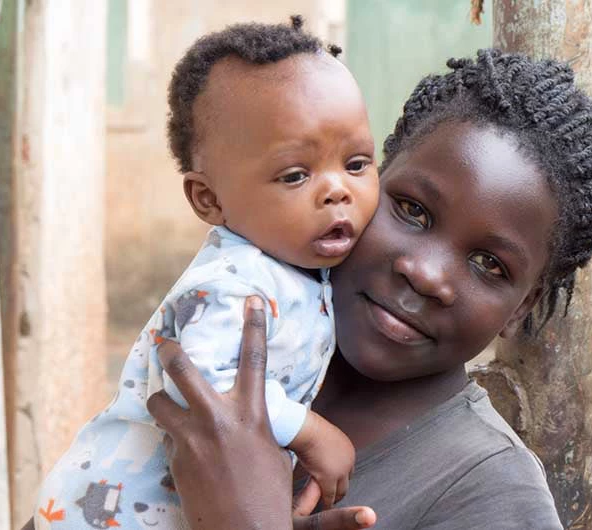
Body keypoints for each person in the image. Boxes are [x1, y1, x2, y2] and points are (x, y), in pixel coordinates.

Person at [145, 49, 592, 529]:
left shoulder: (491, 496)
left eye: (489, 264)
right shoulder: (237, 326)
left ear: (523, 305)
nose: (426, 274)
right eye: (413, 210)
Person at [31, 17, 379, 530]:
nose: (337, 191)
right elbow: (199, 382)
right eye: (295, 175)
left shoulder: (300, 267)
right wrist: (308, 430)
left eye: (356, 164)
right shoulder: (231, 282)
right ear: (209, 199)